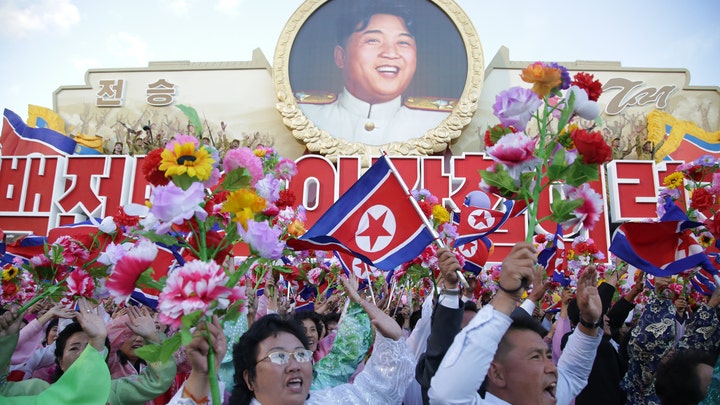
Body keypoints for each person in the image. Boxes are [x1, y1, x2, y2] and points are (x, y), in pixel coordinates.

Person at [169, 275, 415, 405]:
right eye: (278, 356)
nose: (295, 364)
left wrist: (391, 336)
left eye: (301, 354)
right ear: (249, 378)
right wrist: (201, 376)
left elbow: (375, 392)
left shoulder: (328, 401)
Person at [427, 242, 603, 404]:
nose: (552, 368)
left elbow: (572, 374)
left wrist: (589, 323)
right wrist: (507, 296)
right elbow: (445, 397)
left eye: (548, 356)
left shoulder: (548, 396)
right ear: (497, 373)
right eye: (535, 357)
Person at [298, 0, 452, 145]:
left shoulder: (440, 121)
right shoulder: (305, 113)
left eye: (403, 42)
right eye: (373, 40)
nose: (391, 53)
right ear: (341, 57)